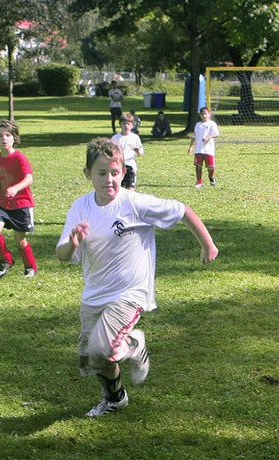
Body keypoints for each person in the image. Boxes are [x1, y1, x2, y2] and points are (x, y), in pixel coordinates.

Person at [56, 138, 219, 418]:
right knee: (93, 360)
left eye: (115, 172)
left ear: (123, 172)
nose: (109, 179)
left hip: (129, 293)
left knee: (103, 348)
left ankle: (133, 344)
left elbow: (182, 210)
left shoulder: (134, 204)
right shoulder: (80, 208)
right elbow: (61, 254)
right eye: (101, 173)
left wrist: (208, 245)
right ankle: (115, 398)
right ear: (88, 174)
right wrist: (72, 242)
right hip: (94, 293)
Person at [0, 120, 38, 278]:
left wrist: (16, 188)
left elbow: (29, 178)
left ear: (14, 138)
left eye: (8, 135)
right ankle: (6, 260)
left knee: (19, 240)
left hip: (21, 203)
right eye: (0, 135)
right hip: (2, 202)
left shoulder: (19, 158)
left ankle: (30, 266)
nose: (4, 138)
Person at [188, 107, 220, 188]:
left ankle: (211, 177)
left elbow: (216, 134)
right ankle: (199, 182)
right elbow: (194, 136)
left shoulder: (212, 124)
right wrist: (191, 147)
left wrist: (209, 136)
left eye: (206, 114)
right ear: (200, 115)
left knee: (211, 166)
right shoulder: (198, 125)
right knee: (198, 165)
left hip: (208, 149)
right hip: (199, 149)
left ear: (209, 114)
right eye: (202, 114)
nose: (204, 115)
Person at [111, 113, 144, 190]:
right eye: (124, 124)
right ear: (120, 124)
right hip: (119, 165)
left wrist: (137, 151)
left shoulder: (135, 137)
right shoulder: (115, 138)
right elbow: (110, 152)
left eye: (128, 124)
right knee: (118, 188)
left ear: (132, 125)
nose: (126, 126)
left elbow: (140, 152)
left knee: (130, 189)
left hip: (130, 165)